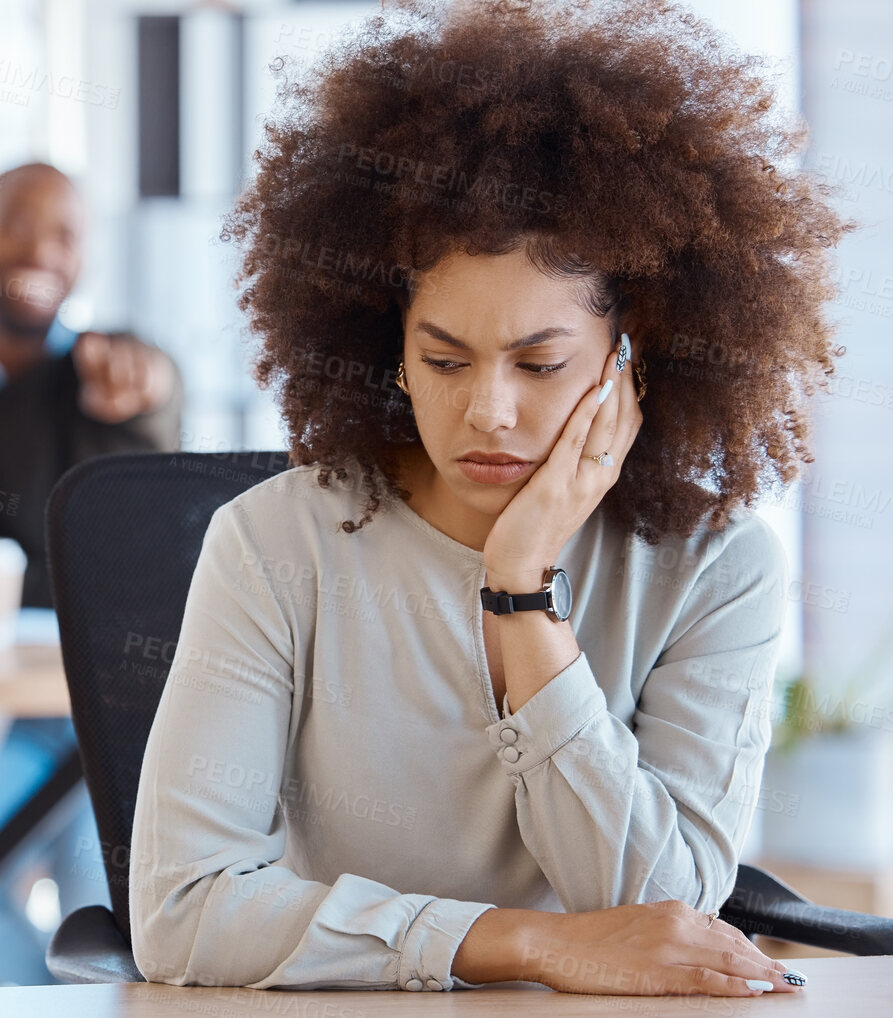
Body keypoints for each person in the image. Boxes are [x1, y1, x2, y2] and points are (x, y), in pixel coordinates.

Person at [130, 0, 846, 997]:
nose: (489, 411)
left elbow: (658, 899)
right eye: (445, 358)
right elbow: (182, 910)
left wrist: (520, 592)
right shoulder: (274, 542)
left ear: (630, 359)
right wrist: (525, 942)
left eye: (541, 363)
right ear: (392, 350)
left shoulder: (717, 567)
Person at [0, 162, 181, 984]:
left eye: (64, 234)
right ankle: (37, 999)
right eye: (17, 223)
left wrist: (142, 391)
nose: (39, 249)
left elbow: (147, 526)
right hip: (8, 716)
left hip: (117, 721)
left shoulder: (114, 370)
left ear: (84, 259)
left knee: (106, 928)